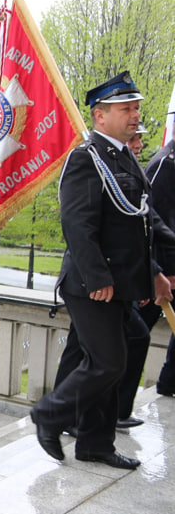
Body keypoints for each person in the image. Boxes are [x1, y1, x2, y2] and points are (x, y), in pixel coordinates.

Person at [30, 72, 175, 470]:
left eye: (136, 108)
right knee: (108, 362)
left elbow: (144, 221)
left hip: (122, 283)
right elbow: (77, 225)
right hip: (91, 284)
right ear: (100, 115)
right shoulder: (85, 158)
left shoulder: (123, 155)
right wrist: (98, 279)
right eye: (126, 108)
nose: (135, 115)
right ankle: (49, 414)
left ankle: (95, 443)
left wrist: (157, 270)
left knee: (121, 355)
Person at [145, 134, 175, 397]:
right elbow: (154, 221)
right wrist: (166, 269)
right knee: (135, 335)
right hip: (159, 270)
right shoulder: (165, 164)